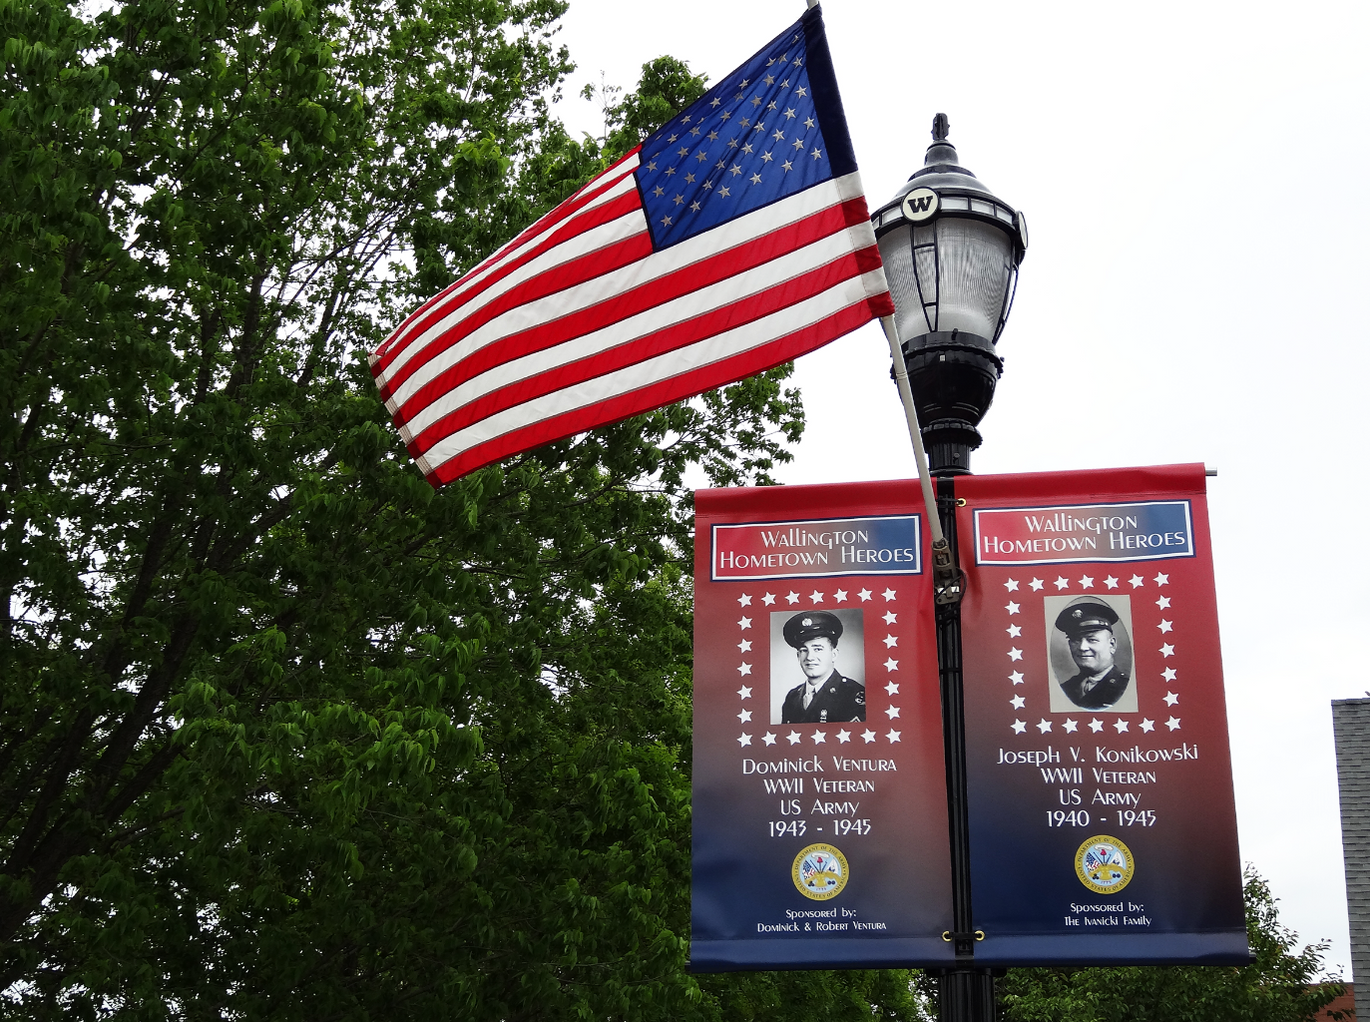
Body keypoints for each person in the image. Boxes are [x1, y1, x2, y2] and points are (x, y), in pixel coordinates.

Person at [779, 611, 865, 723]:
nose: (809, 657)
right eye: (804, 650)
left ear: (834, 655)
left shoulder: (852, 695)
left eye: (818, 649)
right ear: (798, 656)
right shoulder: (792, 697)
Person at [1054, 597, 1130, 709]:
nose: (1082, 647)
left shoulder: (1125, 688)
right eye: (1076, 640)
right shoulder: (1065, 688)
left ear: (1112, 645)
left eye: (1092, 640)